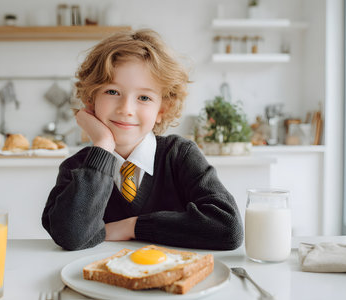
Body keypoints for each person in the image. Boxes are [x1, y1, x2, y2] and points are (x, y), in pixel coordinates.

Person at [42, 29, 243, 251]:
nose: (126, 109)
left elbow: (228, 229)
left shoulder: (180, 155)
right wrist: (103, 145)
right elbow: (70, 237)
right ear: (91, 99)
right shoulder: (77, 168)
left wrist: (132, 228)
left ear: (162, 110)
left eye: (144, 97)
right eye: (112, 92)